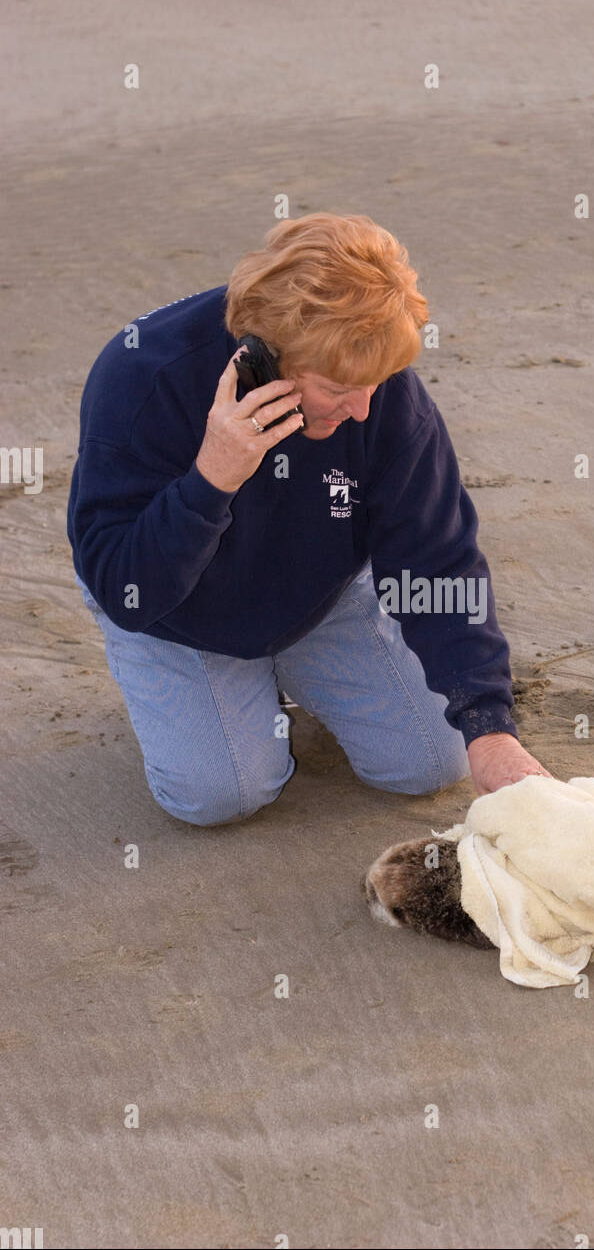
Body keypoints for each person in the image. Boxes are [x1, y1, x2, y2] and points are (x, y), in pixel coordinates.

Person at [67, 212, 551, 825]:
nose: (363, 407)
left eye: (378, 382)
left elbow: (436, 557)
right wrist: (211, 479)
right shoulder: (142, 375)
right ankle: (196, 688)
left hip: (317, 593)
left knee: (434, 762)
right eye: (340, 387)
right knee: (220, 797)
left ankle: (291, 667)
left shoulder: (380, 395)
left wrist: (488, 726)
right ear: (265, 359)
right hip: (172, 608)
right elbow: (125, 589)